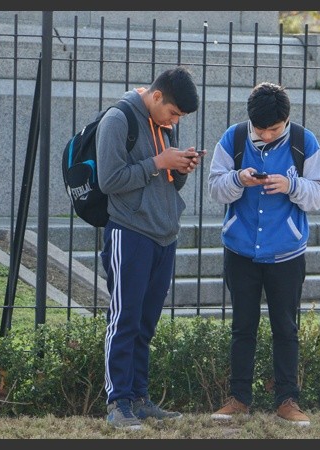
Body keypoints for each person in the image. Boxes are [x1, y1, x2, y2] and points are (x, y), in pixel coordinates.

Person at [206, 82, 320, 427]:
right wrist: (238, 179)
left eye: (272, 129)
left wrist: (290, 185)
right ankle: (239, 399)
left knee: (286, 328)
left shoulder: (303, 142)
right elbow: (215, 188)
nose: (264, 134)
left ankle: (287, 400)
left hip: (287, 253)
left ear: (286, 120)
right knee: (242, 327)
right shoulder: (232, 139)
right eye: (258, 129)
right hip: (240, 250)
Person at [96, 66, 203, 430]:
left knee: (145, 323)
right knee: (124, 319)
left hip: (163, 234)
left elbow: (166, 183)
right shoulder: (118, 119)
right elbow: (109, 180)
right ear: (156, 96)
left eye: (180, 117)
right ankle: (118, 402)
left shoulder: (164, 123)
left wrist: (181, 166)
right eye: (173, 113)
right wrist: (159, 161)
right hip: (130, 231)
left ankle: (139, 398)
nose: (175, 121)